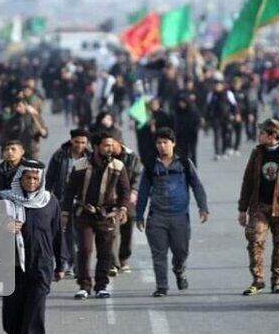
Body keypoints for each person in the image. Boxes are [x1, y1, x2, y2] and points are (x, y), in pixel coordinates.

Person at [0, 160, 67, 334]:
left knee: (36, 308)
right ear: (20, 178)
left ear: (41, 180)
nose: (31, 182)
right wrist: (4, 225)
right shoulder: (5, 200)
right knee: (13, 312)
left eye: (36, 178)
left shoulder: (49, 201)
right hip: (12, 266)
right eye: (27, 178)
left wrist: (61, 263)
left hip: (41, 264)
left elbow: (57, 233)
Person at [136, 128, 209, 296]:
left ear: (173, 143)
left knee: (181, 251)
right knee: (159, 254)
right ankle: (161, 287)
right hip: (157, 216)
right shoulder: (151, 164)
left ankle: (179, 270)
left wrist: (203, 207)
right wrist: (139, 215)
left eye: (165, 142)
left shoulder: (184, 163)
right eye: (159, 143)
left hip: (179, 216)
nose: (162, 146)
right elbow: (143, 190)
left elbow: (197, 185)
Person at [237, 118, 279, 295]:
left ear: (273, 135)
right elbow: (247, 181)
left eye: (262, 133)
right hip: (260, 206)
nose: (258, 136)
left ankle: (277, 280)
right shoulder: (257, 154)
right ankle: (257, 280)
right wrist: (242, 209)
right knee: (255, 240)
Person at [62, 132, 129, 299]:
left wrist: (122, 208)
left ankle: (101, 285)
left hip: (107, 215)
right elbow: (69, 191)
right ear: (96, 146)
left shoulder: (118, 166)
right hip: (85, 213)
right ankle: (84, 285)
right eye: (106, 145)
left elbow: (124, 191)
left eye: (111, 145)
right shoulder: (80, 165)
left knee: (105, 252)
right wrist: (65, 213)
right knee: (85, 249)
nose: (110, 149)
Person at [45, 129, 91, 278]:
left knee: (82, 235)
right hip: (63, 200)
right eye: (77, 142)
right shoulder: (59, 156)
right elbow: (50, 177)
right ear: (71, 141)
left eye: (83, 142)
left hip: (84, 202)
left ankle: (80, 265)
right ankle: (70, 263)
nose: (80, 145)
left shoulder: (91, 157)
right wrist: (46, 196)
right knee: (67, 233)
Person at [110, 130, 142, 275]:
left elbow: (138, 176)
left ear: (120, 143)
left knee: (127, 230)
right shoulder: (104, 156)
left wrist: (134, 192)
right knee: (111, 231)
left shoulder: (132, 157)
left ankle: (123, 258)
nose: (109, 148)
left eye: (112, 144)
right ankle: (113, 262)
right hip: (110, 199)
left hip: (127, 198)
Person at [206, 75, 237, 160]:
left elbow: (234, 105)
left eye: (219, 84)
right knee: (216, 135)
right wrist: (206, 118)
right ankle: (217, 152)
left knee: (225, 134)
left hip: (226, 117)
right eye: (216, 84)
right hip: (216, 118)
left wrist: (236, 114)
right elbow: (208, 106)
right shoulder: (211, 94)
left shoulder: (228, 93)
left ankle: (224, 150)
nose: (217, 86)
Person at [174, 77, 202, 166]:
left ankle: (193, 166)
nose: (181, 104)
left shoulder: (193, 110)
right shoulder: (178, 111)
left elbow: (197, 121)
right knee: (183, 152)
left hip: (192, 134)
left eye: (183, 102)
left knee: (192, 151)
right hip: (182, 134)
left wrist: (195, 129)